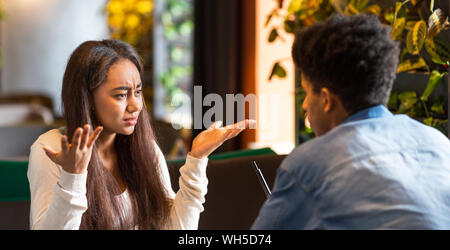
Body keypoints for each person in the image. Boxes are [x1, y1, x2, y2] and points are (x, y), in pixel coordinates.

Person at [27, 39, 254, 230]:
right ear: (88, 99)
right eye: (121, 95)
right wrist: (73, 176)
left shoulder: (141, 147)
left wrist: (196, 159)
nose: (136, 105)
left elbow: (176, 228)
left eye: (137, 92)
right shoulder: (52, 149)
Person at [252, 14, 450, 229]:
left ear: (326, 99)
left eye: (307, 93)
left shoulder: (310, 163)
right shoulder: (437, 142)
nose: (305, 105)